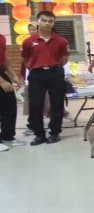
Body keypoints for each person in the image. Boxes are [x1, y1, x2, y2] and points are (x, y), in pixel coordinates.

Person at [20, 10, 70, 146]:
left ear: (54, 23)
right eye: (44, 20)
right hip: (36, 75)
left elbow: (64, 58)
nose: (47, 23)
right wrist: (34, 67)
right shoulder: (28, 42)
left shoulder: (61, 41)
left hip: (55, 73)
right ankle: (39, 134)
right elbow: (25, 59)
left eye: (50, 21)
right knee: (35, 105)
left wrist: (55, 67)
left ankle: (54, 133)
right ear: (38, 22)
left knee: (57, 104)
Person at [0, 29, 24, 149]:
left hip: (1, 72)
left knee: (9, 106)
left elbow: (4, 58)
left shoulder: (1, 38)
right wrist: (1, 81)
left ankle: (7, 136)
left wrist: (14, 75)